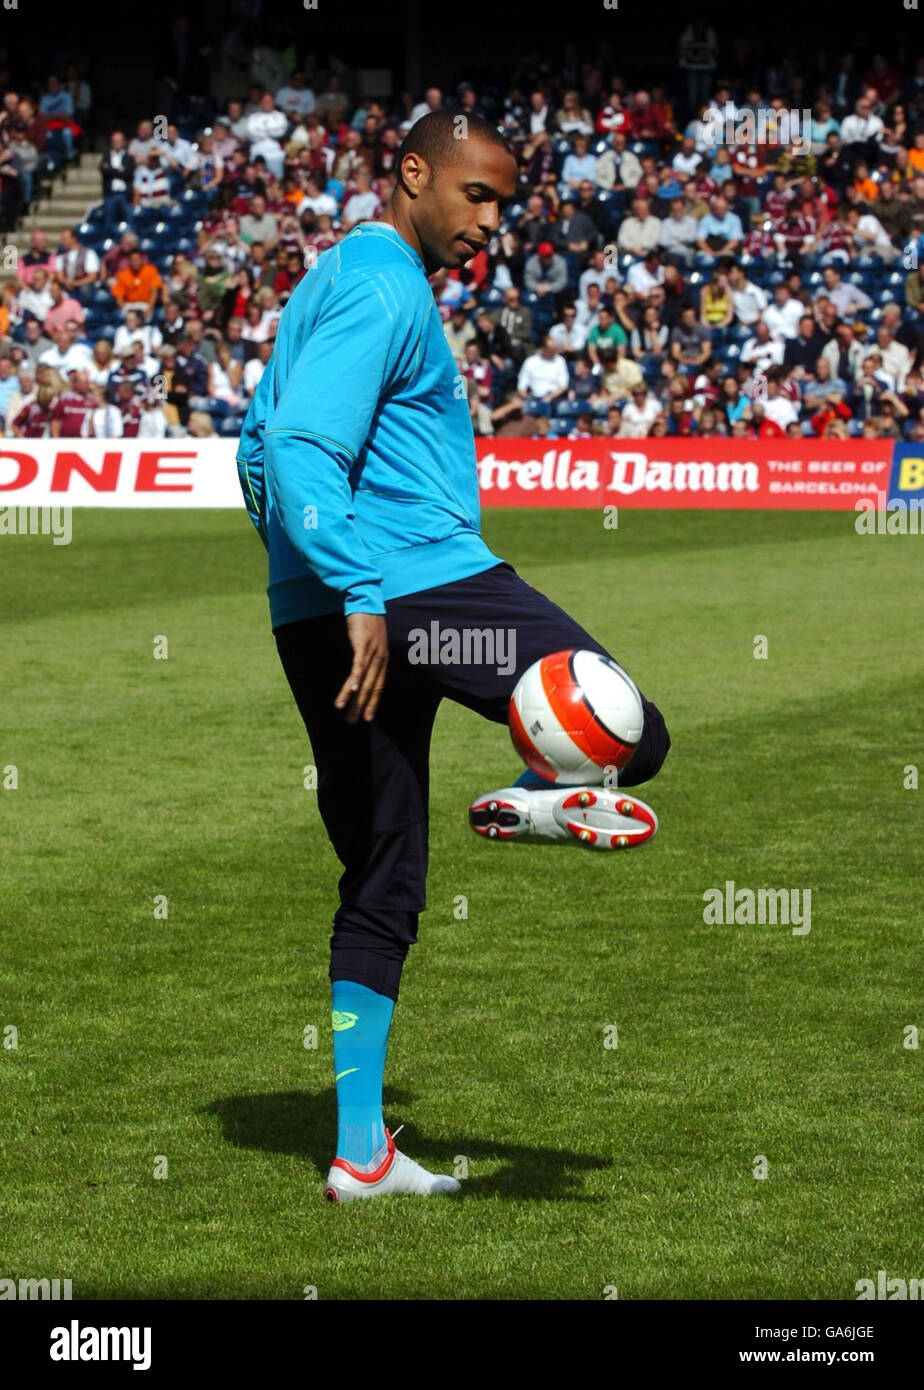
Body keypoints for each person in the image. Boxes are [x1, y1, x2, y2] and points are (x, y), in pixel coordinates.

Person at [236, 111, 670, 1205]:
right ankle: (543, 788)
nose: (492, 222)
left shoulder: (321, 286)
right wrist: (369, 588)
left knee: (382, 878)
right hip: (422, 592)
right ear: (413, 174)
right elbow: (296, 446)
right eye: (477, 197)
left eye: (505, 205)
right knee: (630, 727)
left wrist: (316, 587)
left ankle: (360, 1151)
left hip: (324, 611)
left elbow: (253, 450)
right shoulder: (388, 284)